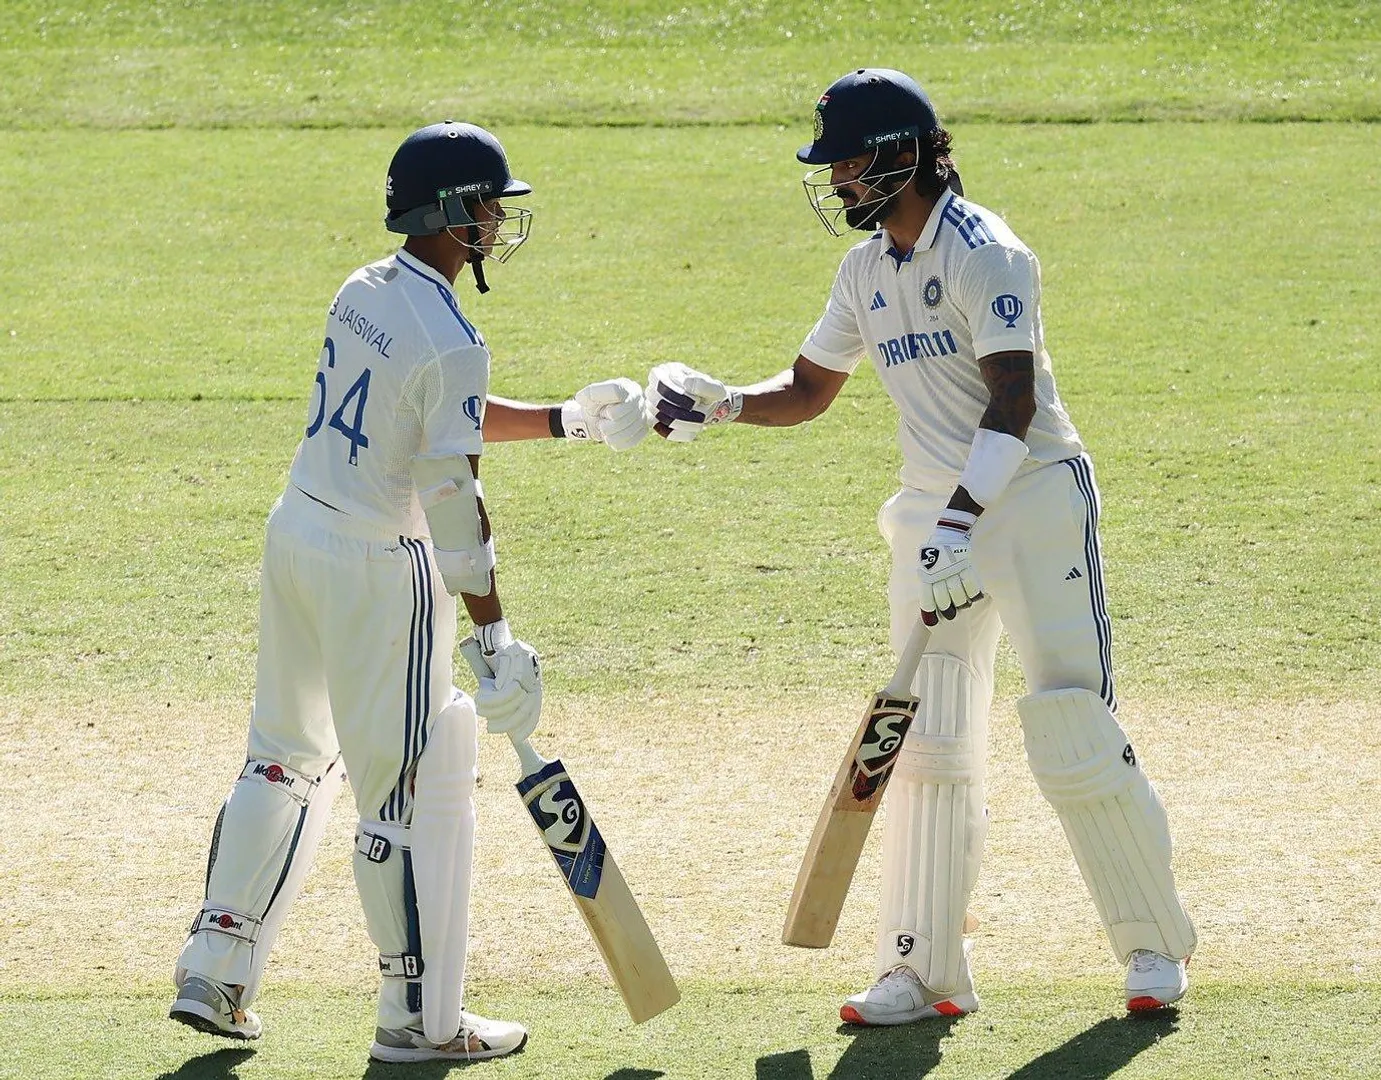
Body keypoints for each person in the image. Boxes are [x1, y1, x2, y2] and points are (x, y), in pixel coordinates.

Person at [644, 68, 1196, 1024]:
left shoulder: (989, 253)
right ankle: (923, 968)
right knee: (928, 740)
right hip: (928, 519)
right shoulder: (864, 271)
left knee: (1072, 724)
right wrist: (725, 402)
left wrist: (959, 523)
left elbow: (1012, 404)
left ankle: (1152, 946)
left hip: (1026, 503)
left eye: (851, 160)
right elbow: (810, 391)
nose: (838, 180)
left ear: (903, 154)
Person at [169, 120, 649, 1063]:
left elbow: (431, 416)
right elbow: (454, 501)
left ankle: (215, 968)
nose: (495, 221)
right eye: (485, 206)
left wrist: (565, 422)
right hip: (379, 571)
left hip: (296, 533)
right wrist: (497, 635)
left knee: (281, 759)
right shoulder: (452, 337)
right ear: (448, 213)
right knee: (399, 795)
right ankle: (417, 1020)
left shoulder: (365, 290)